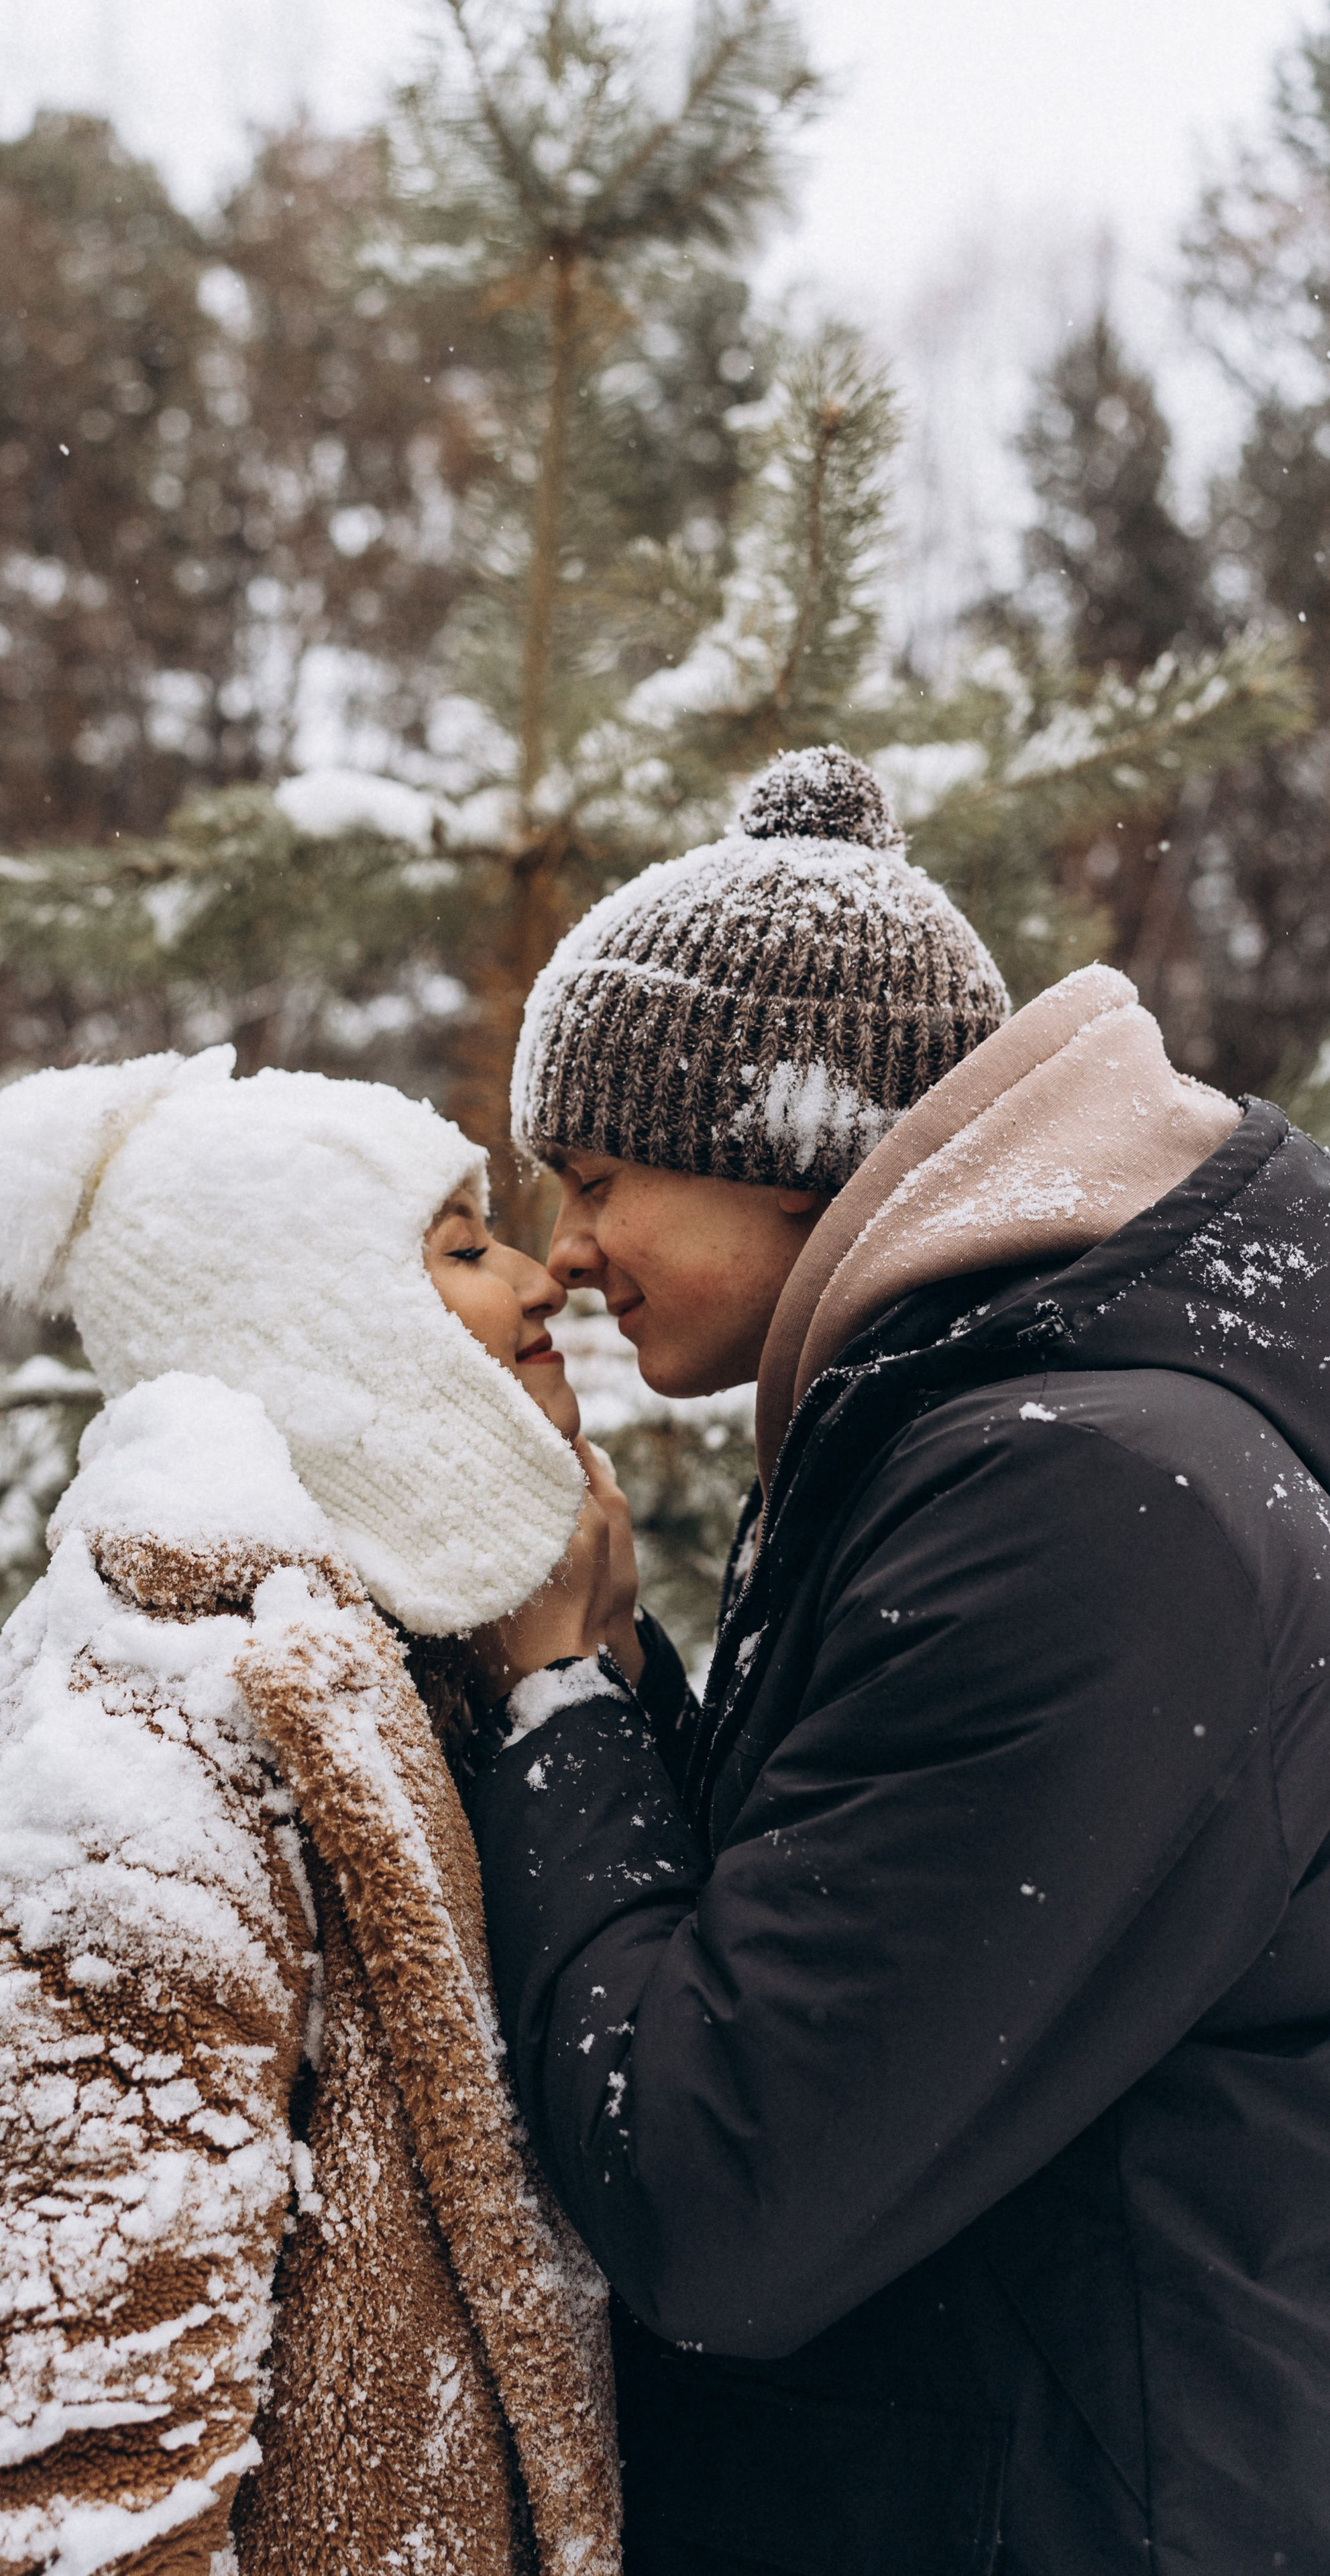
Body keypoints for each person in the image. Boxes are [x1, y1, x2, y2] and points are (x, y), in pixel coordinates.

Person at [460, 744, 1330, 2575]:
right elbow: (841, 1949)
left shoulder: (1086, 1497)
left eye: (600, 1173)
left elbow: (720, 2186)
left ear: (784, 1141)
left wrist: (563, 1701)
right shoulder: (984, 1430)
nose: (567, 1250)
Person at [0, 1052, 625, 2576]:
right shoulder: (129, 1793)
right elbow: (50, 2507)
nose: (540, 1282)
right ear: (312, 1339)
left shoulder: (402, 1689)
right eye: (459, 1250)